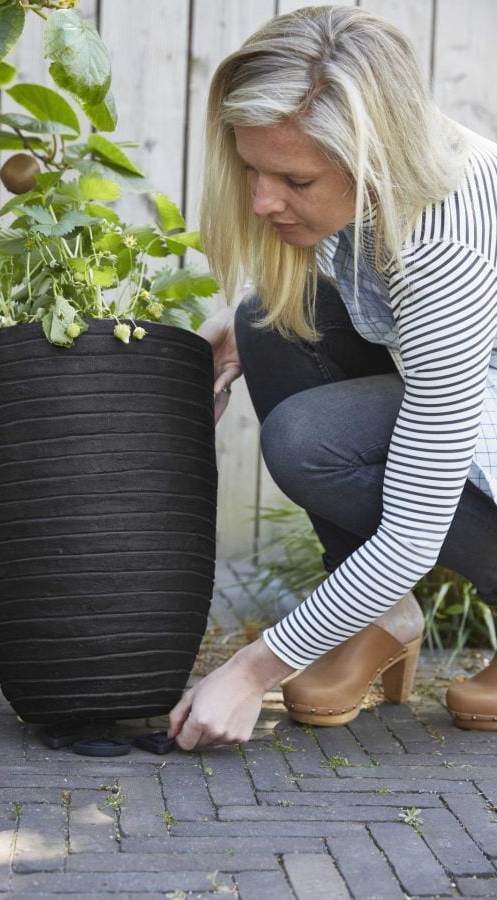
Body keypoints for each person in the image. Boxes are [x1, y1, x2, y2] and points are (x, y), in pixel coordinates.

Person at [167, 5, 497, 751]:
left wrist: (253, 671)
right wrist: (240, 323)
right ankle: (380, 617)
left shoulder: (444, 251)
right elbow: (339, 288)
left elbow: (413, 528)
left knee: (308, 439)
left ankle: (373, 608)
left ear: (373, 156)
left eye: (294, 178)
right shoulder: (390, 165)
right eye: (253, 169)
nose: (261, 201)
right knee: (268, 316)